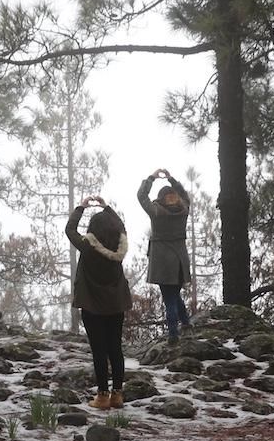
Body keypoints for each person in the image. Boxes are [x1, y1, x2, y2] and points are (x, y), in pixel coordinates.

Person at [65, 195, 132, 410]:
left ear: (93, 229)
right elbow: (121, 226)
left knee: (99, 351)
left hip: (92, 307)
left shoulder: (87, 246)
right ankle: (118, 395)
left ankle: (102, 397)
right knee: (115, 349)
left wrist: (81, 208)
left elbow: (70, 230)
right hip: (116, 306)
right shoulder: (119, 245)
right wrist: (107, 207)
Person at [137, 168, 191, 342]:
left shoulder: (156, 211)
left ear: (161, 198)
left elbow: (141, 196)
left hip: (162, 262)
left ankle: (173, 333)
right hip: (180, 260)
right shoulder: (184, 209)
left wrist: (152, 177)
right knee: (174, 294)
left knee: (169, 297)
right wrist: (171, 179)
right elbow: (184, 194)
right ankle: (186, 322)